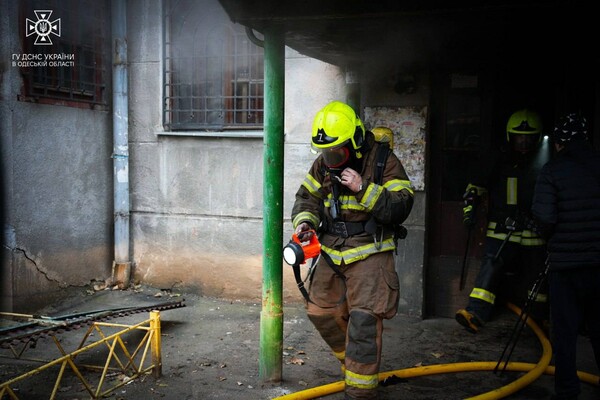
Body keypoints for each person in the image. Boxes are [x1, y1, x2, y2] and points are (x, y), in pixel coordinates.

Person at [291, 101, 414, 399]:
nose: (331, 159)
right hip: (333, 251)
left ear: (356, 142)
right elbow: (306, 198)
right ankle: (355, 365)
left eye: (338, 152)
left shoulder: (384, 160)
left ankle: (360, 391)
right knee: (319, 311)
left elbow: (402, 204)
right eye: (326, 152)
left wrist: (363, 188)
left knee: (362, 324)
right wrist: (306, 223)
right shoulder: (324, 162)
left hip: (371, 252)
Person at [455, 109, 550, 333]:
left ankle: (537, 320)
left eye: (529, 137)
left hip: (534, 231)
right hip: (501, 227)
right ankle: (475, 314)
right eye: (519, 137)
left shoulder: (547, 164)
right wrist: (469, 213)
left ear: (538, 138)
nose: (524, 142)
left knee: (537, 274)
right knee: (490, 266)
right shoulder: (498, 159)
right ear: (510, 136)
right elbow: (474, 189)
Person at [531, 112, 600, 400]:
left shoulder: (552, 171)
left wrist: (553, 240)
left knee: (565, 334)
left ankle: (568, 392)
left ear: (558, 142)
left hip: (566, 266)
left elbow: (544, 219)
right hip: (598, 265)